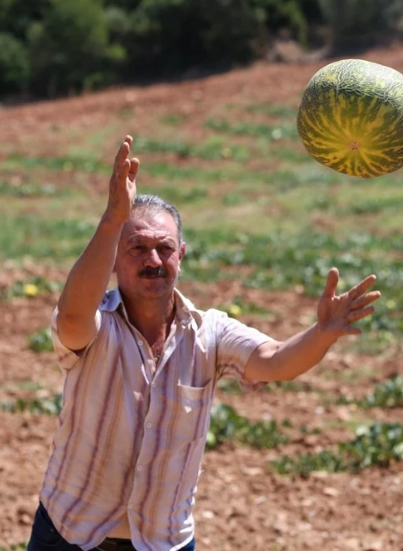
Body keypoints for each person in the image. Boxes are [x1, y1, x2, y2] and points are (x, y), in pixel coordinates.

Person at [27, 135, 380, 551]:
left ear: (182, 256)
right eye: (137, 247)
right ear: (116, 257)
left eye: (165, 249)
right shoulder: (97, 323)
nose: (152, 260)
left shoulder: (208, 333)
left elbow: (274, 360)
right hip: (71, 534)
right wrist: (112, 219)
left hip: (163, 541)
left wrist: (321, 334)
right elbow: (71, 317)